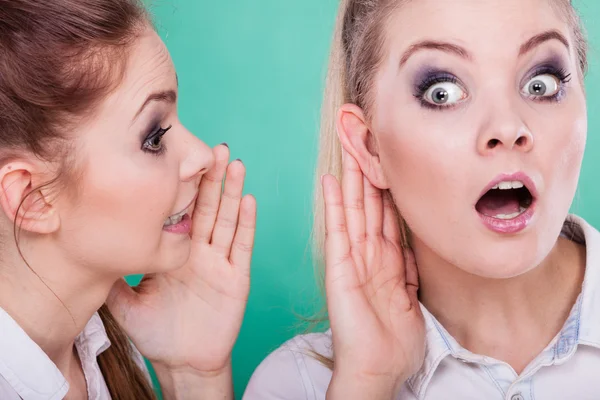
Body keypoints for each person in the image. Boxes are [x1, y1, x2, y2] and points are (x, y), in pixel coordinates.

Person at [244, 0, 596, 398]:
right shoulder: (297, 385)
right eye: (442, 92)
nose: (507, 127)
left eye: (541, 83)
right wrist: (367, 385)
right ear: (369, 146)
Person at [0, 1, 256, 399]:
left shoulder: (107, 353)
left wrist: (193, 376)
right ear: (32, 198)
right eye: (154, 137)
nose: (203, 156)